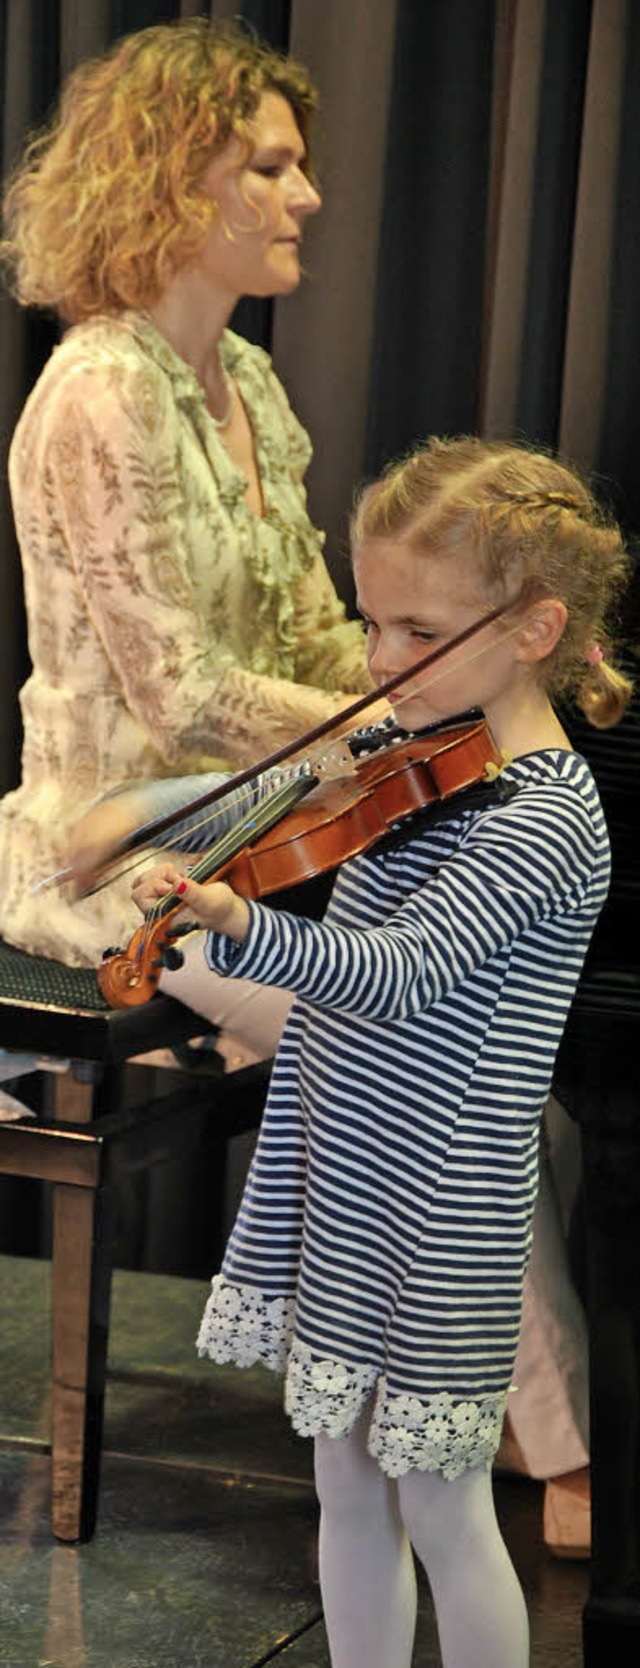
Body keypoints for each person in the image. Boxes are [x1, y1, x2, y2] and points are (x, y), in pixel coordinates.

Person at [125, 435, 632, 1668]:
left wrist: (238, 924)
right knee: (344, 1492)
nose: (379, 663)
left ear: (532, 628)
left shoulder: (547, 817)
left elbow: (395, 978)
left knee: (446, 1511)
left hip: (440, 1211)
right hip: (344, 1173)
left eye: (417, 631)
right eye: (373, 624)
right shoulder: (416, 769)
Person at [0, 17, 376, 986]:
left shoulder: (247, 377)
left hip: (256, 824)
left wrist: (428, 692)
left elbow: (309, 635)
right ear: (166, 188)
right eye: (267, 168)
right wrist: (369, 736)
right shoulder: (104, 388)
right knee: (399, 1040)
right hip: (116, 862)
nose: (308, 196)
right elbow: (180, 696)